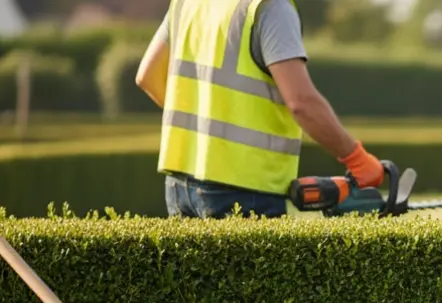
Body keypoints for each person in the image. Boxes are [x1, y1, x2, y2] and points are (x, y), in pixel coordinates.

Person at [134, 0, 384, 218]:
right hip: (243, 191)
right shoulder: (269, 8)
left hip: (179, 184)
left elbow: (148, 77)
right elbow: (302, 104)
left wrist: (205, 126)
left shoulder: (188, 3)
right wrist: (357, 159)